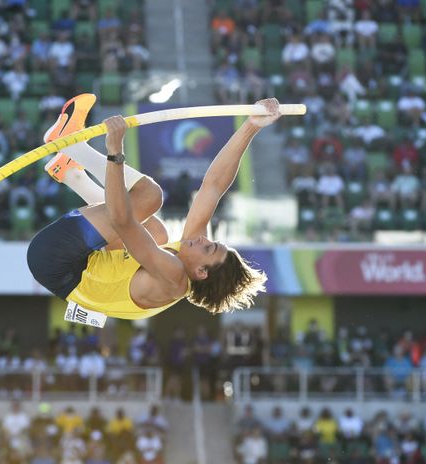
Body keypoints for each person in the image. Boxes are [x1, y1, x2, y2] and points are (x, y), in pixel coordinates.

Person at [27, 94, 275, 322]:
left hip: (55, 261)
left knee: (149, 197)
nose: (202, 240)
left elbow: (121, 221)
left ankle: (69, 144)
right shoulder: (188, 261)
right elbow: (213, 186)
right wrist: (251, 126)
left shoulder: (173, 276)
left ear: (201, 272)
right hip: (80, 274)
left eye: (208, 247)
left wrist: (115, 151)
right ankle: (70, 173)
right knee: (157, 233)